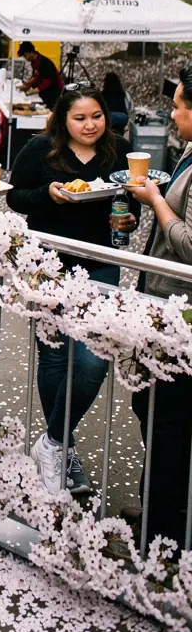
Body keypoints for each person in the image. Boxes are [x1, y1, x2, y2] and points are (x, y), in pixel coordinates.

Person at [7, 84, 137, 497]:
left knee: (93, 360)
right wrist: (48, 196)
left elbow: (131, 203)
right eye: (79, 118)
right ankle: (63, 449)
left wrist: (127, 220)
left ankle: (52, 442)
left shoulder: (120, 152)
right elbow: (15, 198)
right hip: (47, 267)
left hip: (100, 266)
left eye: (96, 117)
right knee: (54, 357)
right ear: (63, 120)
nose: (90, 125)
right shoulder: (40, 150)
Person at [128, 67, 192, 548]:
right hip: (165, 305)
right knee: (149, 404)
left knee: (165, 417)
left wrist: (156, 200)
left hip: (181, 313)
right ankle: (161, 510)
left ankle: (162, 533)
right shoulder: (188, 150)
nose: (172, 115)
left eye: (179, 106)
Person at [18, 41, 65, 110]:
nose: (25, 58)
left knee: (50, 110)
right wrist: (27, 84)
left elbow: (45, 83)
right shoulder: (34, 61)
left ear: (31, 52)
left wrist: (29, 92)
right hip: (45, 90)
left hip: (54, 91)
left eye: (25, 55)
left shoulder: (44, 62)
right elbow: (36, 76)